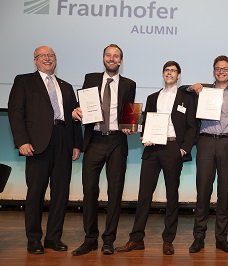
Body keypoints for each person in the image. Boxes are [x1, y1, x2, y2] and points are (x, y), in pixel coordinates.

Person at [115, 60, 197, 255]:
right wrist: (140, 133)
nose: (169, 73)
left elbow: (193, 127)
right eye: (166, 70)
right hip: (152, 150)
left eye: (173, 71)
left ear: (179, 75)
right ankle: (136, 239)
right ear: (162, 74)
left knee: (171, 196)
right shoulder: (152, 97)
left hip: (173, 148)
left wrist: (183, 149)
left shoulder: (187, 98)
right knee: (144, 195)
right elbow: (145, 123)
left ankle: (168, 240)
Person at [7, 45, 83, 254]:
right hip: (36, 143)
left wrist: (76, 143)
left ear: (56, 60)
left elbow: (74, 116)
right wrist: (22, 141)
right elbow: (15, 112)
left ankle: (53, 238)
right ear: (35, 60)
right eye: (43, 56)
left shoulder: (66, 86)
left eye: (51, 55)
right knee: (35, 193)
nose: (47, 59)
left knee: (60, 194)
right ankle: (33, 239)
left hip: (63, 141)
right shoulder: (23, 81)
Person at [71, 44, 136, 256]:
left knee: (115, 193)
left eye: (116, 56)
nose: (112, 58)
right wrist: (77, 111)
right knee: (89, 191)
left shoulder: (129, 84)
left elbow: (129, 115)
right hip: (94, 141)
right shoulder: (90, 78)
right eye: (108, 55)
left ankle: (108, 240)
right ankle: (90, 239)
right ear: (103, 58)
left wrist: (131, 125)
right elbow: (81, 104)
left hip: (117, 141)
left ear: (121, 61)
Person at [180, 55, 228, 254]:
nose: (221, 72)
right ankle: (198, 238)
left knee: (224, 193)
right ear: (213, 71)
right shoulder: (203, 90)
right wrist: (192, 87)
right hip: (206, 143)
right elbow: (182, 89)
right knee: (203, 192)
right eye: (218, 69)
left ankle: (221, 239)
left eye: (225, 69)